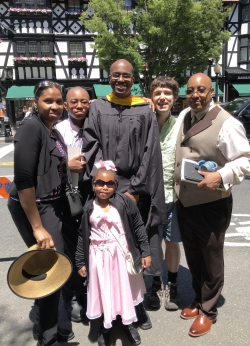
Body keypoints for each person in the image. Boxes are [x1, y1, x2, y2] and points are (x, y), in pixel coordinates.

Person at [82, 59, 166, 329]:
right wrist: (103, 188)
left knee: (133, 248)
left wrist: (136, 189)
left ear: (133, 79)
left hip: (133, 188)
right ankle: (109, 306)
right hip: (104, 188)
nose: (121, 80)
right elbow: (91, 146)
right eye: (116, 75)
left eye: (126, 76)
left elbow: (149, 153)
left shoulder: (144, 109)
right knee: (106, 250)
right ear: (108, 77)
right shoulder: (97, 108)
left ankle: (137, 306)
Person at [174, 73, 250, 337]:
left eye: (201, 90)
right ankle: (198, 296)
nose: (195, 95)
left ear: (212, 92)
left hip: (212, 203)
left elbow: (244, 160)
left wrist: (220, 176)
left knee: (211, 258)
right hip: (186, 200)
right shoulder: (185, 116)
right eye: (191, 90)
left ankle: (208, 310)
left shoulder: (227, 123)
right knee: (194, 255)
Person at [7, 80, 74, 346]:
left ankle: (46, 323)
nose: (55, 106)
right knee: (51, 269)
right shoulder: (31, 128)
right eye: (49, 101)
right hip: (35, 206)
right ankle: (48, 338)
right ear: (36, 102)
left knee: (52, 266)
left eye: (59, 101)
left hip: (50, 205)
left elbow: (46, 165)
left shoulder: (50, 129)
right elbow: (24, 180)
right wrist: (37, 226)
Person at [75, 161, 151, 346]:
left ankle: (128, 323)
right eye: (100, 182)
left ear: (116, 185)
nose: (104, 187)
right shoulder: (88, 208)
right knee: (104, 290)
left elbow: (138, 226)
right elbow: (82, 236)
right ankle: (105, 326)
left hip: (121, 255)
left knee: (125, 289)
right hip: (98, 258)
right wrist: (80, 261)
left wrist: (145, 251)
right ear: (93, 184)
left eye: (110, 183)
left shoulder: (124, 202)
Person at [146, 76, 183, 311]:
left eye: (167, 93)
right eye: (158, 92)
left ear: (175, 98)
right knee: (153, 243)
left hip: (176, 196)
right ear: (151, 96)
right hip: (150, 198)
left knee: (172, 242)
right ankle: (156, 282)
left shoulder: (181, 123)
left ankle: (173, 284)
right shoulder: (143, 121)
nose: (162, 97)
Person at [55, 86, 90, 322]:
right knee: (70, 247)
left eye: (84, 102)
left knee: (91, 245)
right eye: (74, 102)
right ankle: (75, 294)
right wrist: (66, 166)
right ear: (66, 105)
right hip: (65, 196)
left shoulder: (95, 125)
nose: (79, 106)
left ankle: (90, 291)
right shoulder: (57, 131)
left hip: (91, 194)